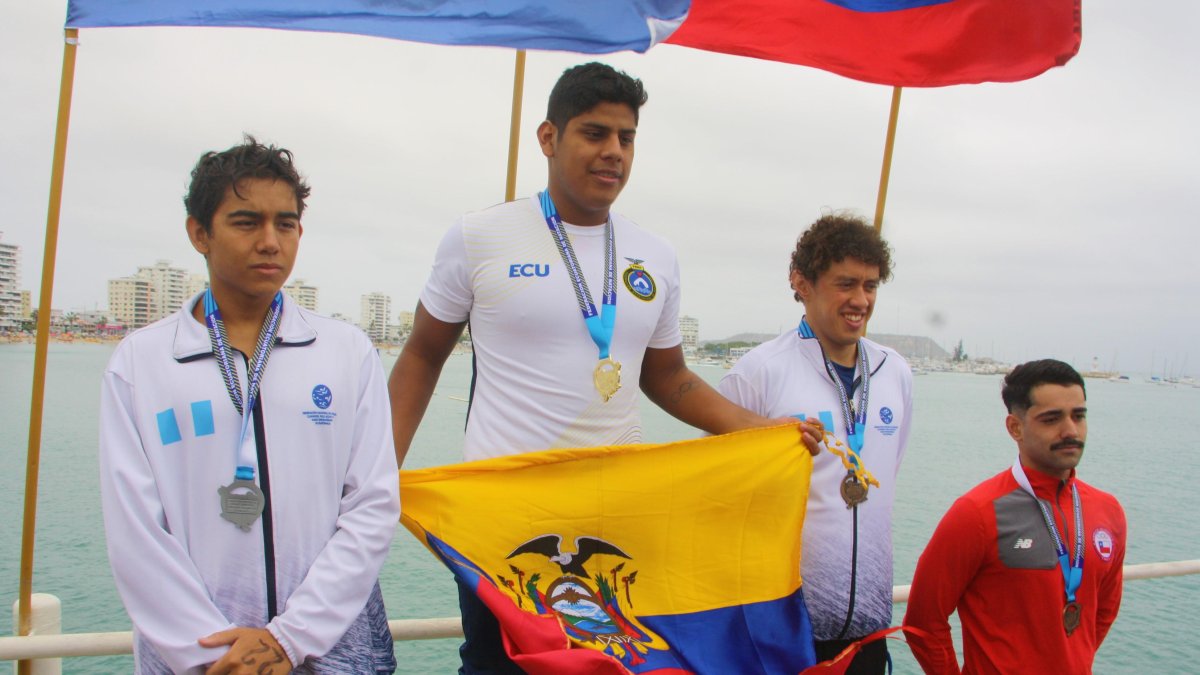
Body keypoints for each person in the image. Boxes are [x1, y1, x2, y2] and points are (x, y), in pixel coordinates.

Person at [388, 62, 820, 674]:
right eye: (594, 133)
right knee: (496, 667)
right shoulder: (480, 236)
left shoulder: (655, 255)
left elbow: (669, 378)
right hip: (503, 518)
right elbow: (422, 354)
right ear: (549, 138)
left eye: (626, 137)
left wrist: (762, 429)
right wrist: (378, 471)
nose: (614, 151)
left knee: (620, 665)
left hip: (616, 515)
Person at [99, 137, 400, 674]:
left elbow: (372, 505)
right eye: (246, 222)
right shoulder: (142, 363)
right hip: (201, 662)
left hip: (328, 650)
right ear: (199, 233)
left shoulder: (345, 352)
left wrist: (289, 638)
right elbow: (136, 533)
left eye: (286, 224)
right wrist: (216, 655)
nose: (270, 241)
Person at [717, 213, 912, 674]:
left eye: (870, 285)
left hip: (869, 629)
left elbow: (886, 476)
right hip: (780, 629)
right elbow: (718, 489)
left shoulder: (895, 372)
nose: (860, 300)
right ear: (802, 284)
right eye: (846, 284)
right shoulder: (758, 372)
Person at [904, 359, 1126, 674]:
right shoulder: (976, 514)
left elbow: (1103, 612)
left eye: (1078, 416)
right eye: (1052, 419)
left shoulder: (1108, 511)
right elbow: (923, 621)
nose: (1070, 430)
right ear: (1015, 427)